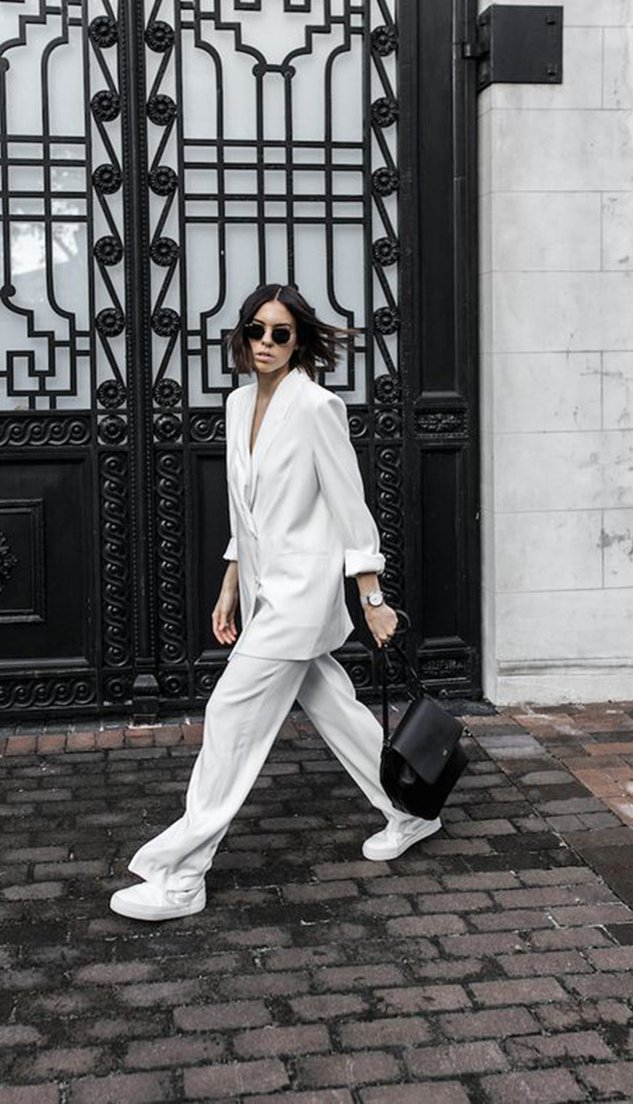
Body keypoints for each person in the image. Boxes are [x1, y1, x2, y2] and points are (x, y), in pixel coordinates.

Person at [110, 284, 441, 921]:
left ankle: (181, 876)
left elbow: (350, 505)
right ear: (243, 335)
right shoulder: (238, 405)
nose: (266, 343)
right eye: (257, 331)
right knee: (333, 704)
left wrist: (372, 595)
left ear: (299, 342)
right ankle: (409, 807)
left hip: (302, 593)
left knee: (230, 719)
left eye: (280, 334)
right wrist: (231, 584)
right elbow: (249, 510)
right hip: (266, 590)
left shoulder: (317, 407)